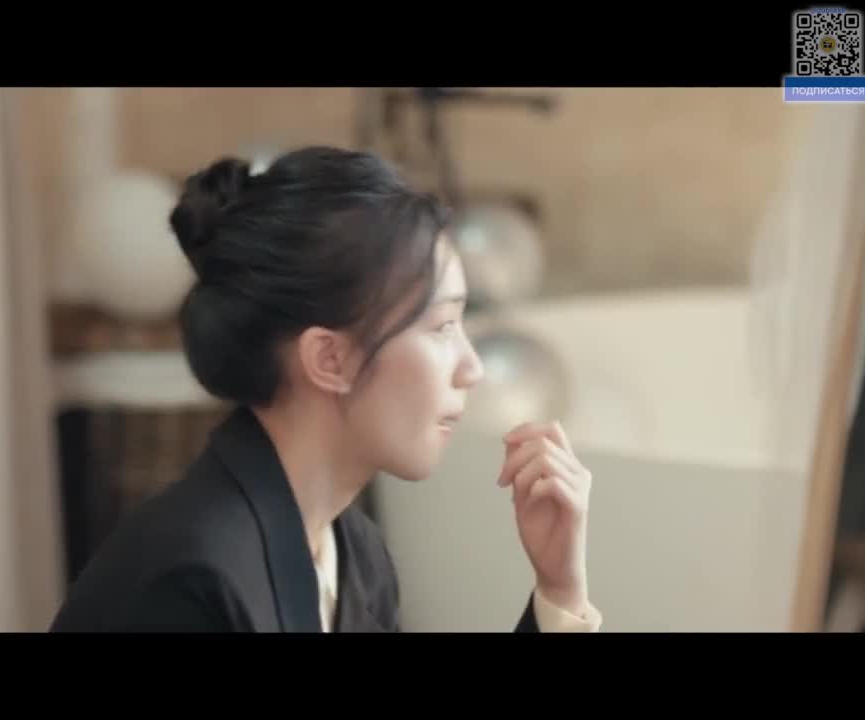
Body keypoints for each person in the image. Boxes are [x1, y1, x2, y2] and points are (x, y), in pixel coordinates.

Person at [49, 146, 602, 632]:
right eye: (441, 327)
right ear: (329, 359)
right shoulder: (190, 583)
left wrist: (559, 591)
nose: (471, 368)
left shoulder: (353, 555)